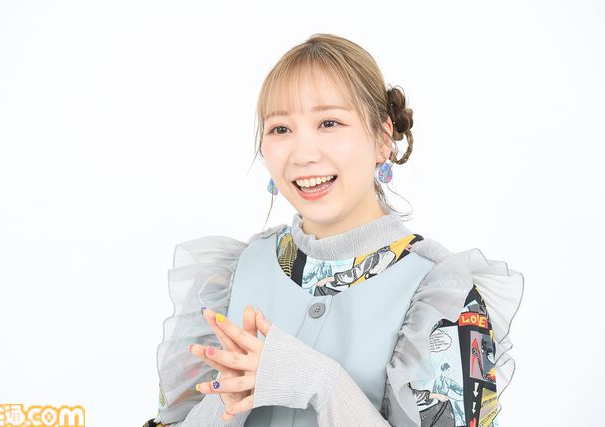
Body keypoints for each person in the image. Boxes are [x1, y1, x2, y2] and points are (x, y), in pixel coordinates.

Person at [142, 33, 524, 427]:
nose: (303, 154)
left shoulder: (443, 298)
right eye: (280, 129)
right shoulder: (229, 275)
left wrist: (321, 383)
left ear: (383, 139)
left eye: (329, 123)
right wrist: (223, 400)